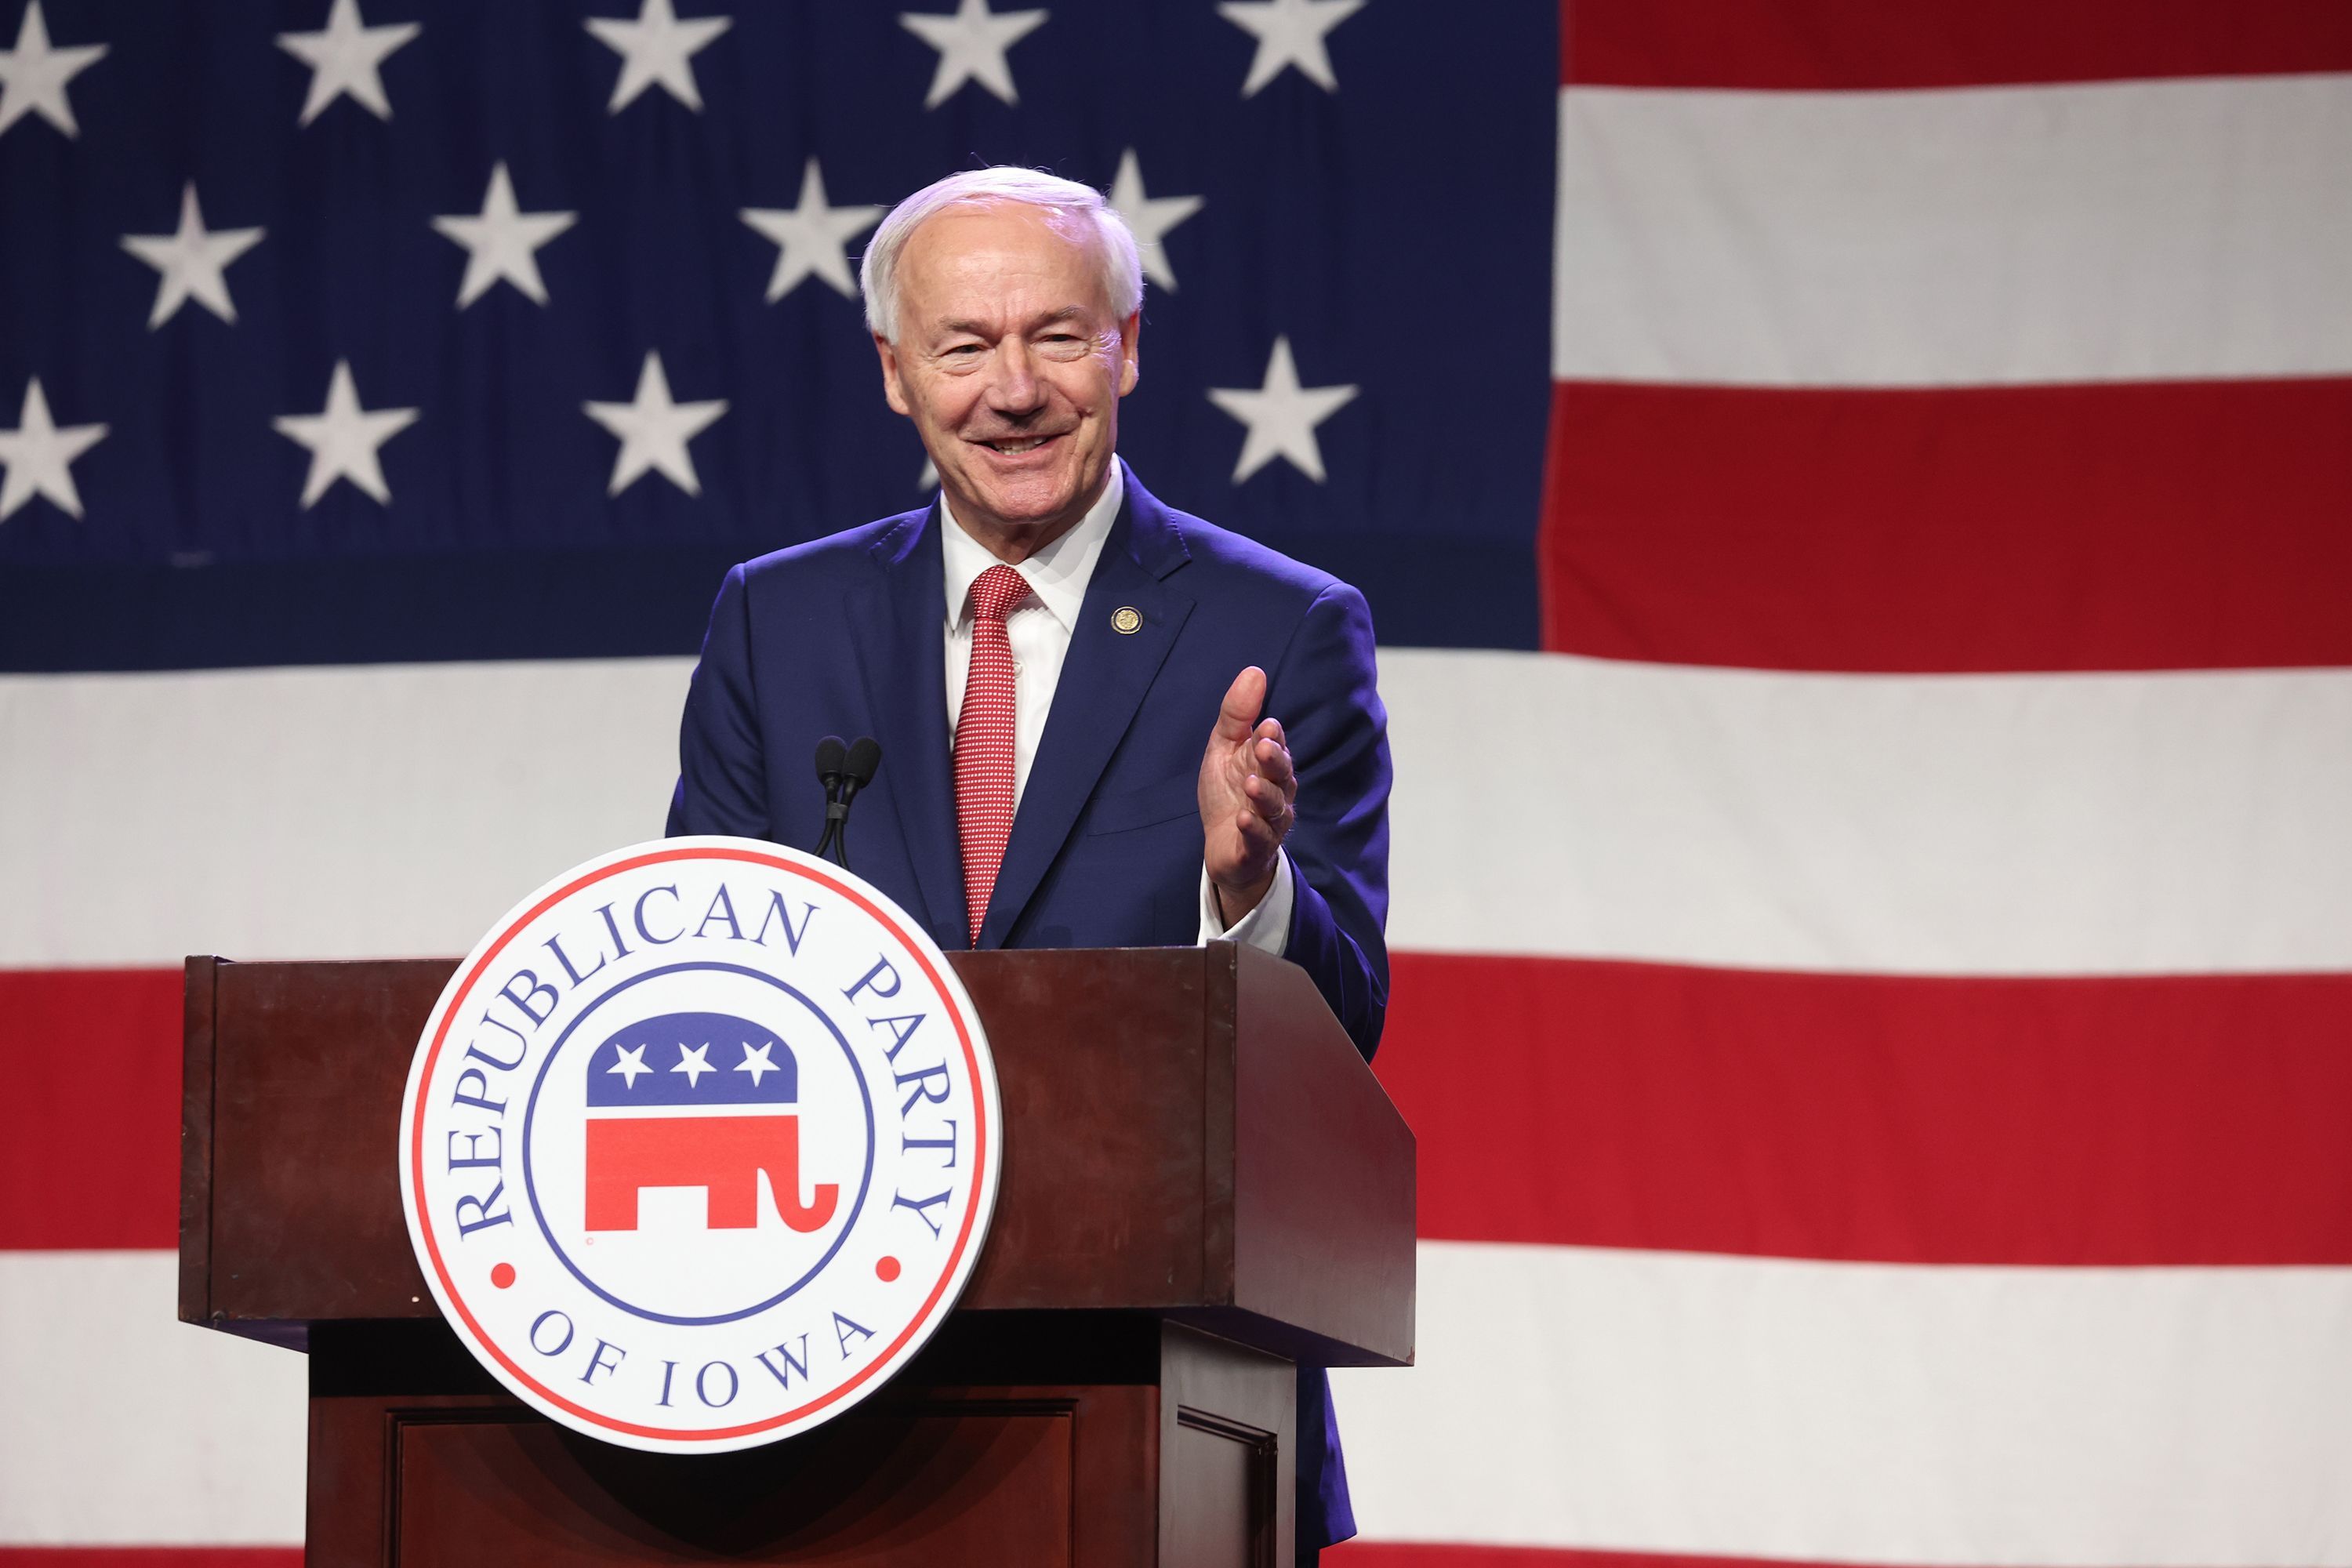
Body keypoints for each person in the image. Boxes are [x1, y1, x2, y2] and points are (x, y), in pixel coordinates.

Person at [666, 166, 1390, 1560]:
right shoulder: (776, 621)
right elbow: (704, 972)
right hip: (826, 1385)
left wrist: (1248, 895)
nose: (1014, 390)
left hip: (1167, 1388)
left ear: (1127, 346)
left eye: (1058, 336)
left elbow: (1346, 1029)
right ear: (896, 373)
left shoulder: (1284, 626)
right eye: (963, 346)